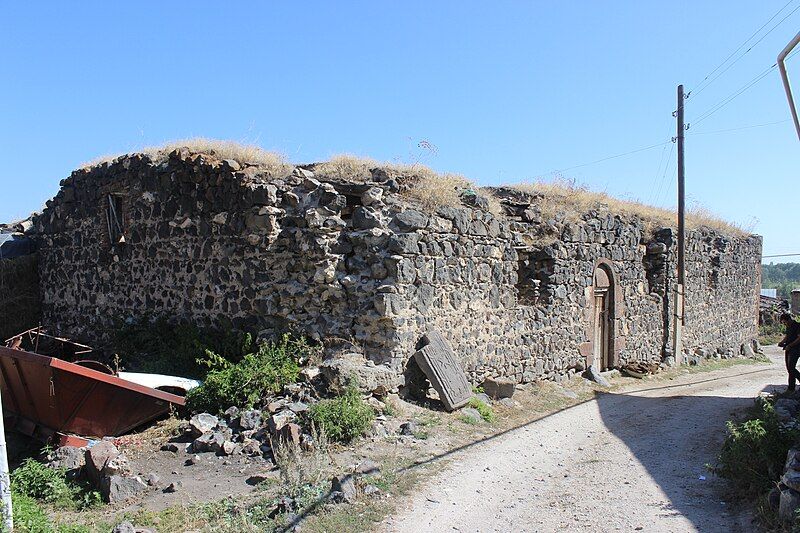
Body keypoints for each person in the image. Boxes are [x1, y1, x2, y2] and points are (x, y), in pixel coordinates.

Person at [779, 313, 800, 391]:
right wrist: (782, 342)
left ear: (789, 320)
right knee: (789, 369)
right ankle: (791, 387)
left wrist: (790, 345)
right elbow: (787, 336)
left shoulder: (797, 325)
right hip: (788, 349)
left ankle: (792, 387)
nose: (784, 324)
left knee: (791, 368)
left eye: (785, 322)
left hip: (796, 349)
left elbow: (799, 338)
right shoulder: (788, 326)